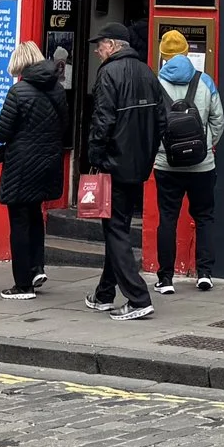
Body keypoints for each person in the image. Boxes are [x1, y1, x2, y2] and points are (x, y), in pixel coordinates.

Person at [83, 22, 164, 320]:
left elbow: (101, 122)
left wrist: (94, 157)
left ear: (115, 44)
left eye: (100, 44)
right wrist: (148, 153)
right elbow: (161, 120)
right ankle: (105, 294)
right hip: (137, 166)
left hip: (113, 164)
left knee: (115, 230)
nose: (96, 49)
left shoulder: (108, 73)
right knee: (117, 226)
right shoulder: (147, 72)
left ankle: (138, 298)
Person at [0, 42, 68, 300]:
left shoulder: (18, 91)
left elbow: (1, 132)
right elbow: (64, 126)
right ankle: (37, 268)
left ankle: (22, 284)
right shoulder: (57, 90)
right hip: (48, 162)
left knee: (20, 222)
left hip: (22, 165)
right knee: (36, 216)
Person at [151, 31, 224, 294]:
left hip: (166, 165)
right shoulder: (205, 81)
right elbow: (218, 120)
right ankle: (204, 274)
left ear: (163, 55)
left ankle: (165, 279)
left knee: (167, 218)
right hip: (202, 166)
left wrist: (160, 150)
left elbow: (150, 125)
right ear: (185, 52)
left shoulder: (155, 84)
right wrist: (205, 146)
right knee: (204, 217)